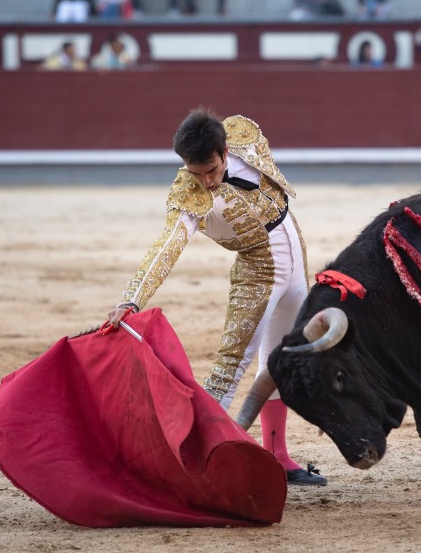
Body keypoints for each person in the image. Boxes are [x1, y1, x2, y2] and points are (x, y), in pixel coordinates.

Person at [107, 109, 327, 486]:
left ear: (225, 151)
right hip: (258, 272)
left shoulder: (243, 133)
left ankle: (278, 455)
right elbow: (168, 245)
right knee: (230, 367)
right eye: (197, 174)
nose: (206, 182)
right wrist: (132, 299)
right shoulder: (187, 193)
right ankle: (194, 467)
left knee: (281, 361)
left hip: (295, 252)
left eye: (211, 170)